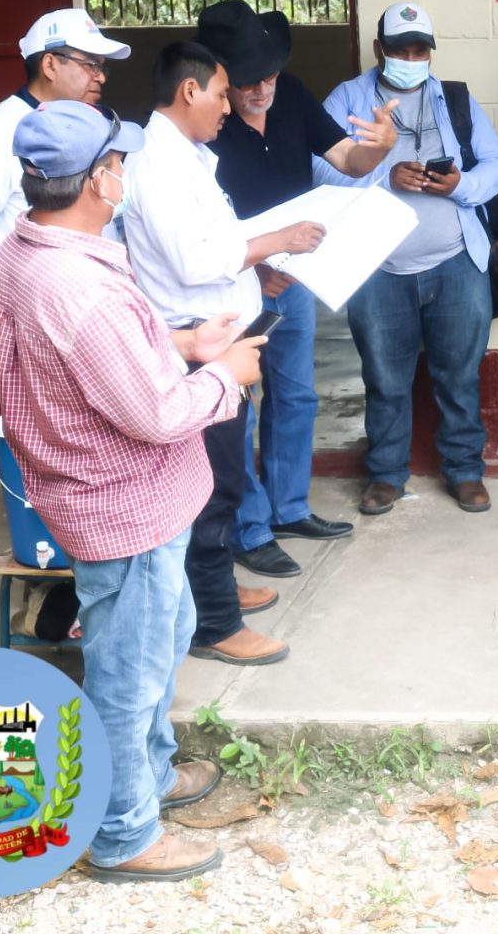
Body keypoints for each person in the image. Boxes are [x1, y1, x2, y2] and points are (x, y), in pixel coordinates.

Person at [0, 100, 264, 881]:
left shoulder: (26, 252)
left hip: (118, 495)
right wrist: (224, 374)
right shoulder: (82, 286)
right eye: (120, 161)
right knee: (126, 672)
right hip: (126, 503)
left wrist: (177, 343)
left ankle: (150, 775)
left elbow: (87, 362)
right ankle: (122, 834)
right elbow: (155, 411)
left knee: (160, 637)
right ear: (103, 178)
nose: (127, 172)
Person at [122, 42, 327, 668]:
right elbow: (193, 260)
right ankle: (215, 623)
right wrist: (277, 240)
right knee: (210, 486)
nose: (226, 108)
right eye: (219, 94)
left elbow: (214, 240)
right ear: (190, 91)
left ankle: (208, 593)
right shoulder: (156, 165)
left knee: (219, 478)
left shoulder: (187, 157)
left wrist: (260, 263)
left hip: (215, 335)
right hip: (191, 345)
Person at [194, 0, 396, 576]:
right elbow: (194, 229)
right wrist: (255, 267)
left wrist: (379, 145)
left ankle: (288, 508)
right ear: (219, 77)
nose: (262, 90)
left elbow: (349, 161)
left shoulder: (294, 96)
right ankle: (249, 528)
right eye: (249, 81)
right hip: (231, 284)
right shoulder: (204, 126)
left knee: (298, 395)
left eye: (270, 76)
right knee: (241, 406)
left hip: (297, 272)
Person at [316, 2, 498, 515]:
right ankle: (385, 474)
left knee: (459, 374)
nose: (409, 58)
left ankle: (465, 471)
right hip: (378, 268)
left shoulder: (455, 99)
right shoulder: (348, 98)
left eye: (418, 49)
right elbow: (319, 171)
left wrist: (460, 184)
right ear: (379, 49)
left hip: (455, 263)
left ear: (429, 51)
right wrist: (385, 175)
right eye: (398, 49)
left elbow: (497, 164)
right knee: (383, 377)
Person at [0, 8, 129, 278]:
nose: (101, 76)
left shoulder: (89, 122)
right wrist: (10, 287)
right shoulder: (0, 128)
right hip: (49, 303)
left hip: (93, 292)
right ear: (50, 65)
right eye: (91, 64)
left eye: (102, 66)